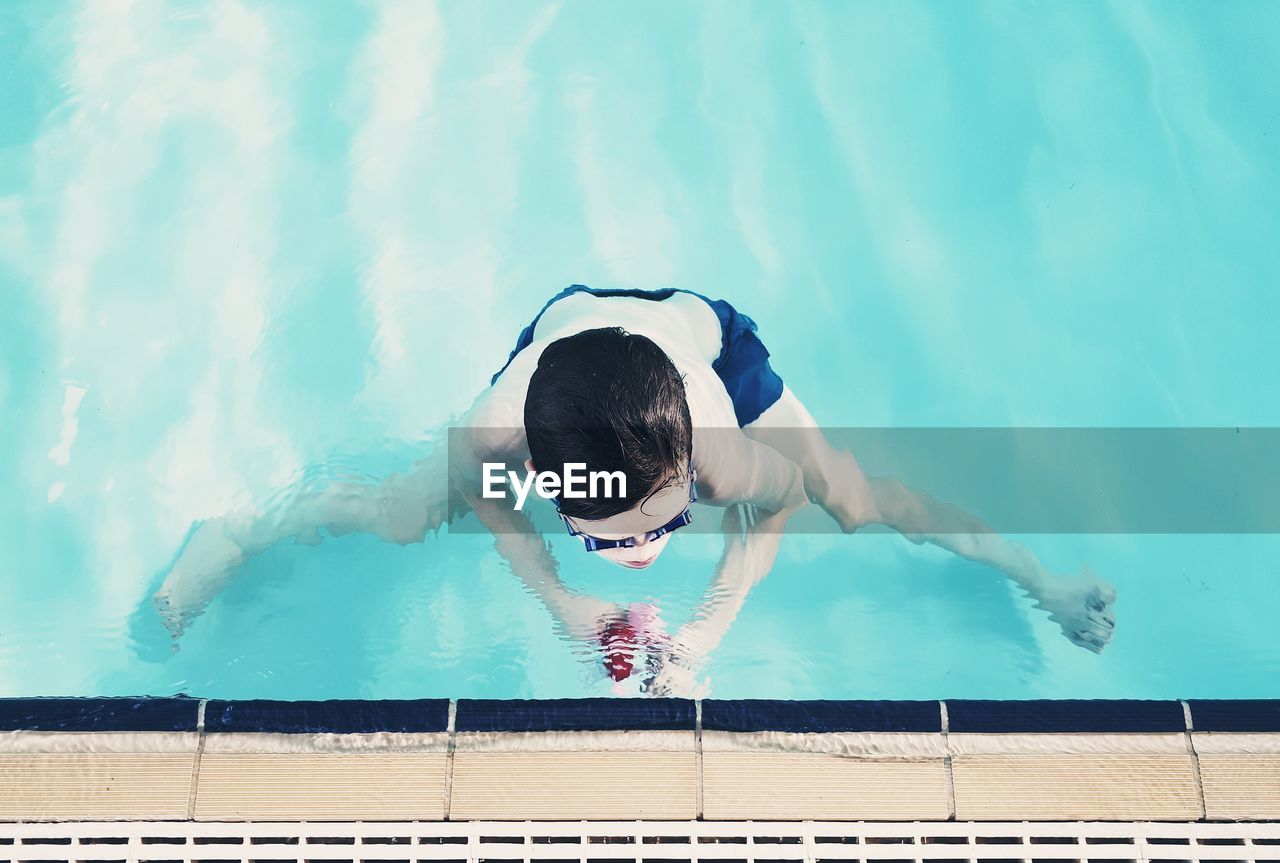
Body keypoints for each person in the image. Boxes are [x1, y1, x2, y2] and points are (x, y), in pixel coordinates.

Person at [153, 284, 1117, 695]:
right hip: (560, 358)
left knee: (854, 502)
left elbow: (773, 508)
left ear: (690, 482)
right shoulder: (501, 436)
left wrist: (708, 626)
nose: (635, 557)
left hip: (701, 349)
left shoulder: (725, 453)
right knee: (411, 517)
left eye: (658, 528)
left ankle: (1039, 575)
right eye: (601, 539)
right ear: (556, 487)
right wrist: (567, 602)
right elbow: (494, 507)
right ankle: (236, 530)